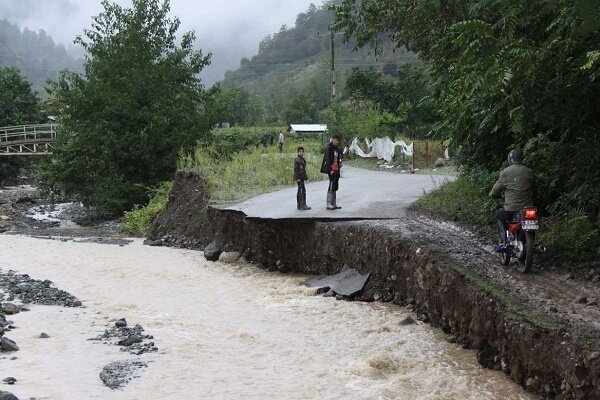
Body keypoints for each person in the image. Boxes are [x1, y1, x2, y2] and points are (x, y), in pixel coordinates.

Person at [489, 149, 536, 250]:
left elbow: (496, 190)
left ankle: (503, 242)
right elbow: (534, 188)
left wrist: (491, 194)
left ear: (510, 159)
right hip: (528, 207)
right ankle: (531, 243)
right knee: (532, 223)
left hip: (512, 208)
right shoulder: (529, 171)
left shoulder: (506, 172)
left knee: (500, 217)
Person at [320, 134, 342, 210]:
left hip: (336, 169)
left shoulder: (337, 149)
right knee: (331, 185)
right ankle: (328, 203)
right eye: (335, 140)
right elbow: (328, 160)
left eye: (338, 140)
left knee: (335, 186)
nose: (337, 141)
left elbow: (338, 160)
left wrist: (338, 168)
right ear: (332, 140)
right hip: (331, 170)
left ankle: (334, 203)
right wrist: (330, 170)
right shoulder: (329, 148)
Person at [294, 146, 311, 210]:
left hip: (302, 177)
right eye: (300, 151)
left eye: (302, 152)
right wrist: (297, 178)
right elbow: (296, 169)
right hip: (299, 177)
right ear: (298, 152)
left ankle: (300, 205)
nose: (301, 153)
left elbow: (303, 169)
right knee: (302, 190)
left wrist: (305, 177)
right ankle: (302, 205)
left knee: (301, 190)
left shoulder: (302, 159)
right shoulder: (297, 159)